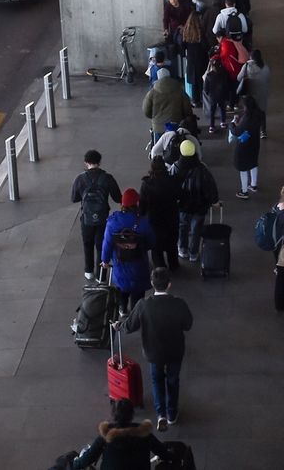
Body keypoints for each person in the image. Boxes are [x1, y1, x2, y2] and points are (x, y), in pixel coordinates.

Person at [115, 267, 194, 431]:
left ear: (152, 283)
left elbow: (129, 326)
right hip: (175, 350)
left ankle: (161, 414)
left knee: (156, 380)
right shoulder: (179, 303)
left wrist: (118, 326)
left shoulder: (143, 305)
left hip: (153, 352)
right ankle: (172, 413)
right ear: (169, 284)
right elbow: (188, 325)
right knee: (173, 381)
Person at [100, 189, 154, 315]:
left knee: (121, 287)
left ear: (122, 204)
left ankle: (122, 308)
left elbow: (107, 243)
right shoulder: (143, 222)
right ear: (137, 203)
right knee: (138, 290)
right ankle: (136, 313)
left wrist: (105, 260)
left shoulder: (113, 221)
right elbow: (152, 242)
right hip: (139, 264)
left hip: (120, 263)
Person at [69, 399, 168, 469]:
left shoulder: (105, 436)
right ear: (132, 415)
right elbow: (164, 454)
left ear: (113, 415)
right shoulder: (145, 434)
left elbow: (86, 460)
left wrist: (73, 463)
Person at [70, 150, 122, 280]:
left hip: (86, 218)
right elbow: (117, 198)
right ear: (99, 162)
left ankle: (89, 271)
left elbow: (74, 198)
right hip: (102, 217)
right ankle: (101, 275)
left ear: (86, 162)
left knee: (87, 244)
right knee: (101, 245)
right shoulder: (107, 178)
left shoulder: (80, 179)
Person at [173, 139, 218, 262]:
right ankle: (194, 253)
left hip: (183, 206)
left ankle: (182, 249)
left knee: (182, 227)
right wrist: (214, 200)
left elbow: (170, 185)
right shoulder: (202, 168)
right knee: (196, 229)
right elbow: (210, 186)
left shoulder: (176, 167)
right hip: (200, 206)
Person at [139, 158, 181, 272]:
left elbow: (142, 203)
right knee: (172, 243)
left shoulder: (147, 184)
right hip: (171, 217)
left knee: (156, 245)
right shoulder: (173, 181)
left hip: (154, 219)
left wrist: (141, 216)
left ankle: (160, 267)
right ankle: (174, 265)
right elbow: (180, 195)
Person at [142, 69, 194, 139]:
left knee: (158, 144)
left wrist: (155, 117)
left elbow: (146, 111)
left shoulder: (152, 93)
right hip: (177, 125)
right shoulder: (180, 90)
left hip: (159, 127)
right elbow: (187, 108)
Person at [228, 95, 262, 199]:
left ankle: (244, 191)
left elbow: (236, 132)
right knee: (253, 163)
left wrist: (232, 125)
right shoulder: (258, 113)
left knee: (243, 168)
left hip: (244, 146)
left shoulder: (247, 119)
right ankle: (253, 185)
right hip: (254, 143)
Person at [236, 49, 271, 139]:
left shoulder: (246, 66)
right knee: (262, 112)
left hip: (249, 94)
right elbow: (267, 79)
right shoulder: (265, 67)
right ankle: (263, 131)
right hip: (261, 93)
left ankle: (249, 130)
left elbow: (239, 78)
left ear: (251, 57)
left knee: (248, 112)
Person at [201, 58, 231, 134]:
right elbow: (226, 85)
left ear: (212, 66)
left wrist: (208, 94)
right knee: (222, 109)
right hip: (222, 95)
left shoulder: (209, 75)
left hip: (212, 96)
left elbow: (205, 88)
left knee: (212, 111)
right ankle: (223, 122)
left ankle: (212, 126)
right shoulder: (224, 74)